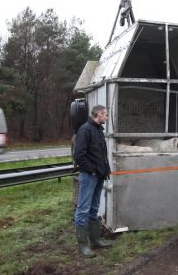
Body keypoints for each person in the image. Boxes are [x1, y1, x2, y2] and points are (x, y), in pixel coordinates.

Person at [73, 105, 113, 257]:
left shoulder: (98, 130)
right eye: (105, 115)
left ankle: (96, 240)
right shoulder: (85, 130)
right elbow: (79, 154)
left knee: (94, 209)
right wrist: (92, 170)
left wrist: (106, 169)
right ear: (98, 115)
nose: (107, 118)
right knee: (83, 209)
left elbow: (102, 154)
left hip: (99, 175)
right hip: (89, 176)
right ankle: (83, 246)